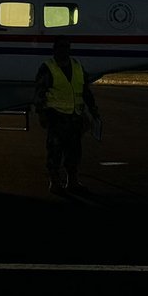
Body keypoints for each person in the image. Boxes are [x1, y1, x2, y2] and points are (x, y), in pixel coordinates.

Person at [34, 37, 100, 193]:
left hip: (74, 116)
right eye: (61, 47)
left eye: (66, 47)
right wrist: (41, 113)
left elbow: (85, 90)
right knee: (54, 151)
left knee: (74, 151)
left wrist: (93, 109)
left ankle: (73, 181)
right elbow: (39, 92)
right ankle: (55, 182)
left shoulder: (77, 67)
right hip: (56, 117)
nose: (64, 50)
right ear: (55, 50)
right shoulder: (48, 68)